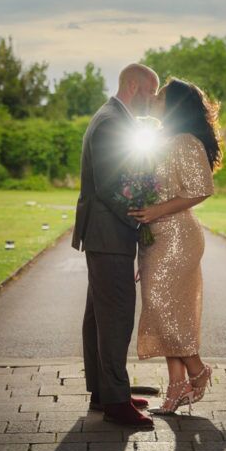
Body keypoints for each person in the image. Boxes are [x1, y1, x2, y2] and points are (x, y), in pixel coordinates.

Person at [71, 62, 160, 428]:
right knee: (116, 316)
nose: (152, 102)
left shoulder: (113, 116)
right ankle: (116, 403)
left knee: (98, 317)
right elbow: (110, 183)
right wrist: (139, 213)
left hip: (104, 233)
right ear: (135, 86)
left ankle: (104, 392)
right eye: (151, 94)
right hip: (109, 233)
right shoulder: (111, 121)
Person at [128, 78, 221, 414]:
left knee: (165, 310)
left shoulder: (185, 141)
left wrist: (155, 211)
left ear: (175, 106)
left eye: (161, 95)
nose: (154, 98)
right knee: (167, 309)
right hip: (154, 239)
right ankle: (177, 387)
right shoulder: (162, 140)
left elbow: (202, 189)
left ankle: (196, 370)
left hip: (178, 238)